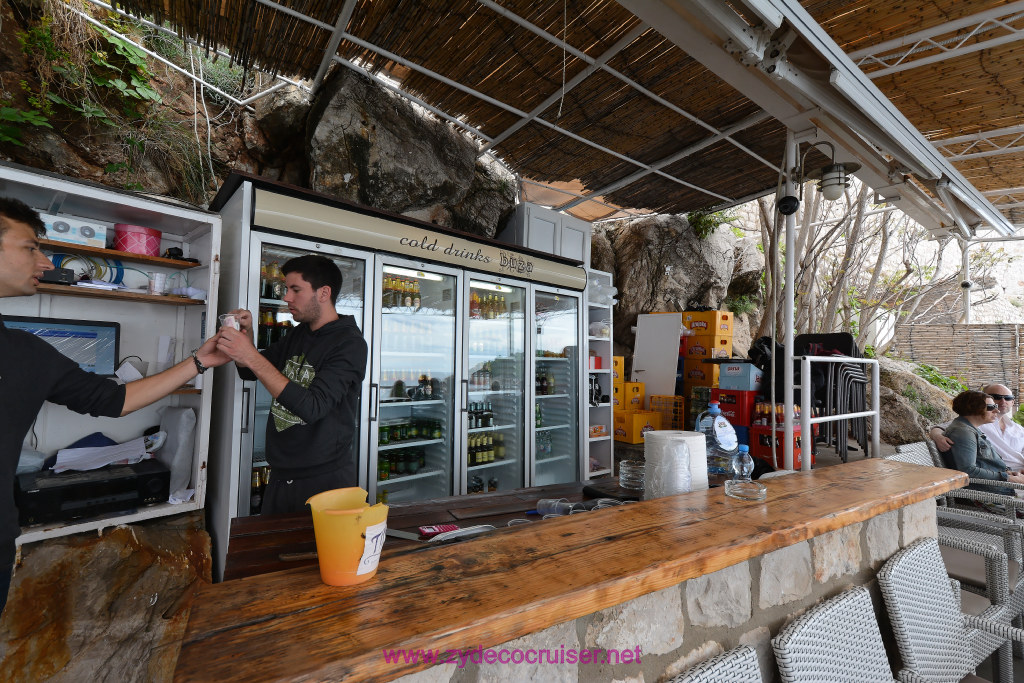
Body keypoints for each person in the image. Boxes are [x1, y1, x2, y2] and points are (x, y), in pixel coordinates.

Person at [0, 197, 230, 615]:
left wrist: (201, 361)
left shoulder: (26, 352)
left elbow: (115, 400)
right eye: (30, 247)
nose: (46, 263)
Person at [216, 255, 367, 515]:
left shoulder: (349, 344)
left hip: (325, 481)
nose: (286, 297)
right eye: (286, 289)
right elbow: (252, 373)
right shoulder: (298, 333)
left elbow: (312, 407)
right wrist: (246, 339)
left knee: (316, 555)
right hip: (281, 475)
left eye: (295, 289)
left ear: (323, 293)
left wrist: (249, 354)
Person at [940, 390, 1024, 495]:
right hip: (991, 494)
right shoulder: (963, 432)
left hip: (999, 487)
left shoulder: (970, 428)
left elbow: (984, 463)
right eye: (990, 407)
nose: (996, 411)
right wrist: (1008, 478)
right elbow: (968, 470)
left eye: (995, 407)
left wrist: (1008, 473)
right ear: (973, 408)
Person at [931, 383, 1024, 471]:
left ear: (1013, 402)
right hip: (997, 473)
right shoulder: (975, 422)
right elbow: (939, 428)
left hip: (1016, 471)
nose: (1003, 401)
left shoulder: (1019, 429)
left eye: (1008, 398)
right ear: (983, 399)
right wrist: (938, 437)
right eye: (996, 397)